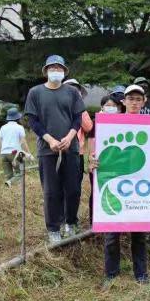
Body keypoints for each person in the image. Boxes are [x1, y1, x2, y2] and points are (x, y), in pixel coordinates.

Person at [90, 90, 150, 285]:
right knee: (111, 235)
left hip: (140, 186)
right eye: (130, 99)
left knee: (140, 235)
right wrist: (92, 159)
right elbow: (95, 153)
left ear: (144, 102)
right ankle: (111, 275)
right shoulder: (109, 124)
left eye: (138, 99)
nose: (134, 102)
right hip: (115, 184)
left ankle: (141, 274)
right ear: (123, 101)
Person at [25, 55, 86, 244]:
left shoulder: (72, 93)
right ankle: (53, 228)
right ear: (46, 71)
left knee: (73, 188)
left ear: (65, 71)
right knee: (51, 191)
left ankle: (71, 222)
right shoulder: (35, 92)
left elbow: (77, 118)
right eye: (52, 68)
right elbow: (33, 121)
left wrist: (69, 137)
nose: (56, 71)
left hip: (71, 147)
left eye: (59, 68)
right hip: (47, 149)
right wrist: (50, 139)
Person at [63, 78, 94, 237]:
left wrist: (79, 108)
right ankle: (63, 221)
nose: (74, 92)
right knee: (58, 189)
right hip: (57, 151)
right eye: (70, 89)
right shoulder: (58, 105)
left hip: (77, 152)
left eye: (76, 90)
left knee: (73, 190)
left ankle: (70, 221)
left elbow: (88, 127)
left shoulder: (80, 108)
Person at [0, 107, 34, 186]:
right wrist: (29, 153)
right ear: (17, 117)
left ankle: (9, 187)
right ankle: (10, 183)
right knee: (20, 173)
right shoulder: (19, 127)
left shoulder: (3, 128)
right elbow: (24, 141)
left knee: (9, 176)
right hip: (15, 153)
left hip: (4, 154)